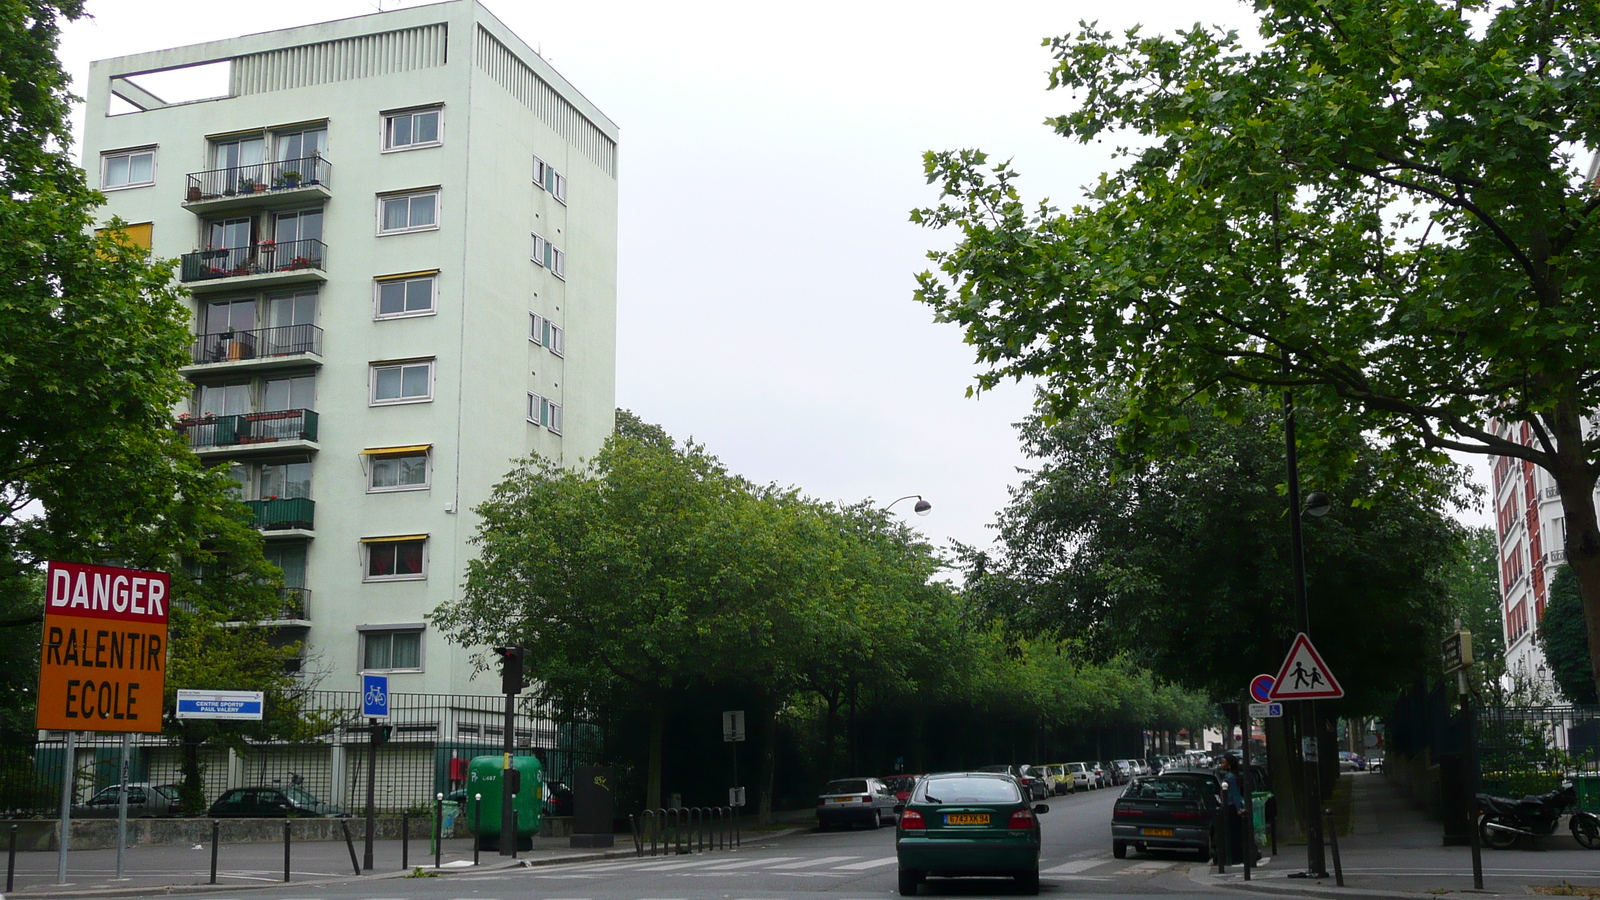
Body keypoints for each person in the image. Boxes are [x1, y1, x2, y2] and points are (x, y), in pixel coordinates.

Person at [1218, 755, 1247, 865]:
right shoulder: (1230, 776)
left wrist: (1238, 808)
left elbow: (1235, 794)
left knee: (1232, 833)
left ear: (1229, 764)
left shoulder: (1230, 778)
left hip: (1230, 807)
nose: (1222, 764)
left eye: (1223, 762)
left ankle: (1233, 857)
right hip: (1229, 806)